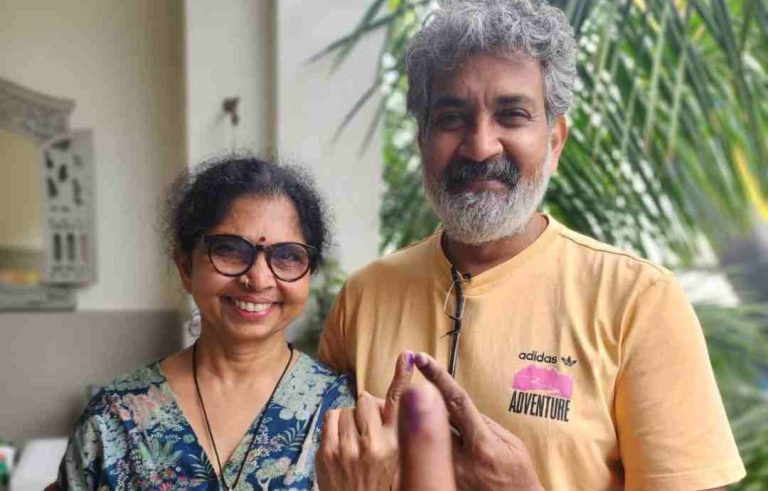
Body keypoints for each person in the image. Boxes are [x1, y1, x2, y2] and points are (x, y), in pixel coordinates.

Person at [316, 0, 746, 489]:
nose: (480, 146)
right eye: (452, 118)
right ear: (422, 141)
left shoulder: (637, 301)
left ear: (555, 142)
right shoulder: (365, 296)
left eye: (512, 115)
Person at [55, 156, 355, 490]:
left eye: (287, 256)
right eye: (230, 249)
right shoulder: (114, 419)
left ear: (309, 273)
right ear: (186, 267)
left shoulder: (341, 417)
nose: (258, 279)